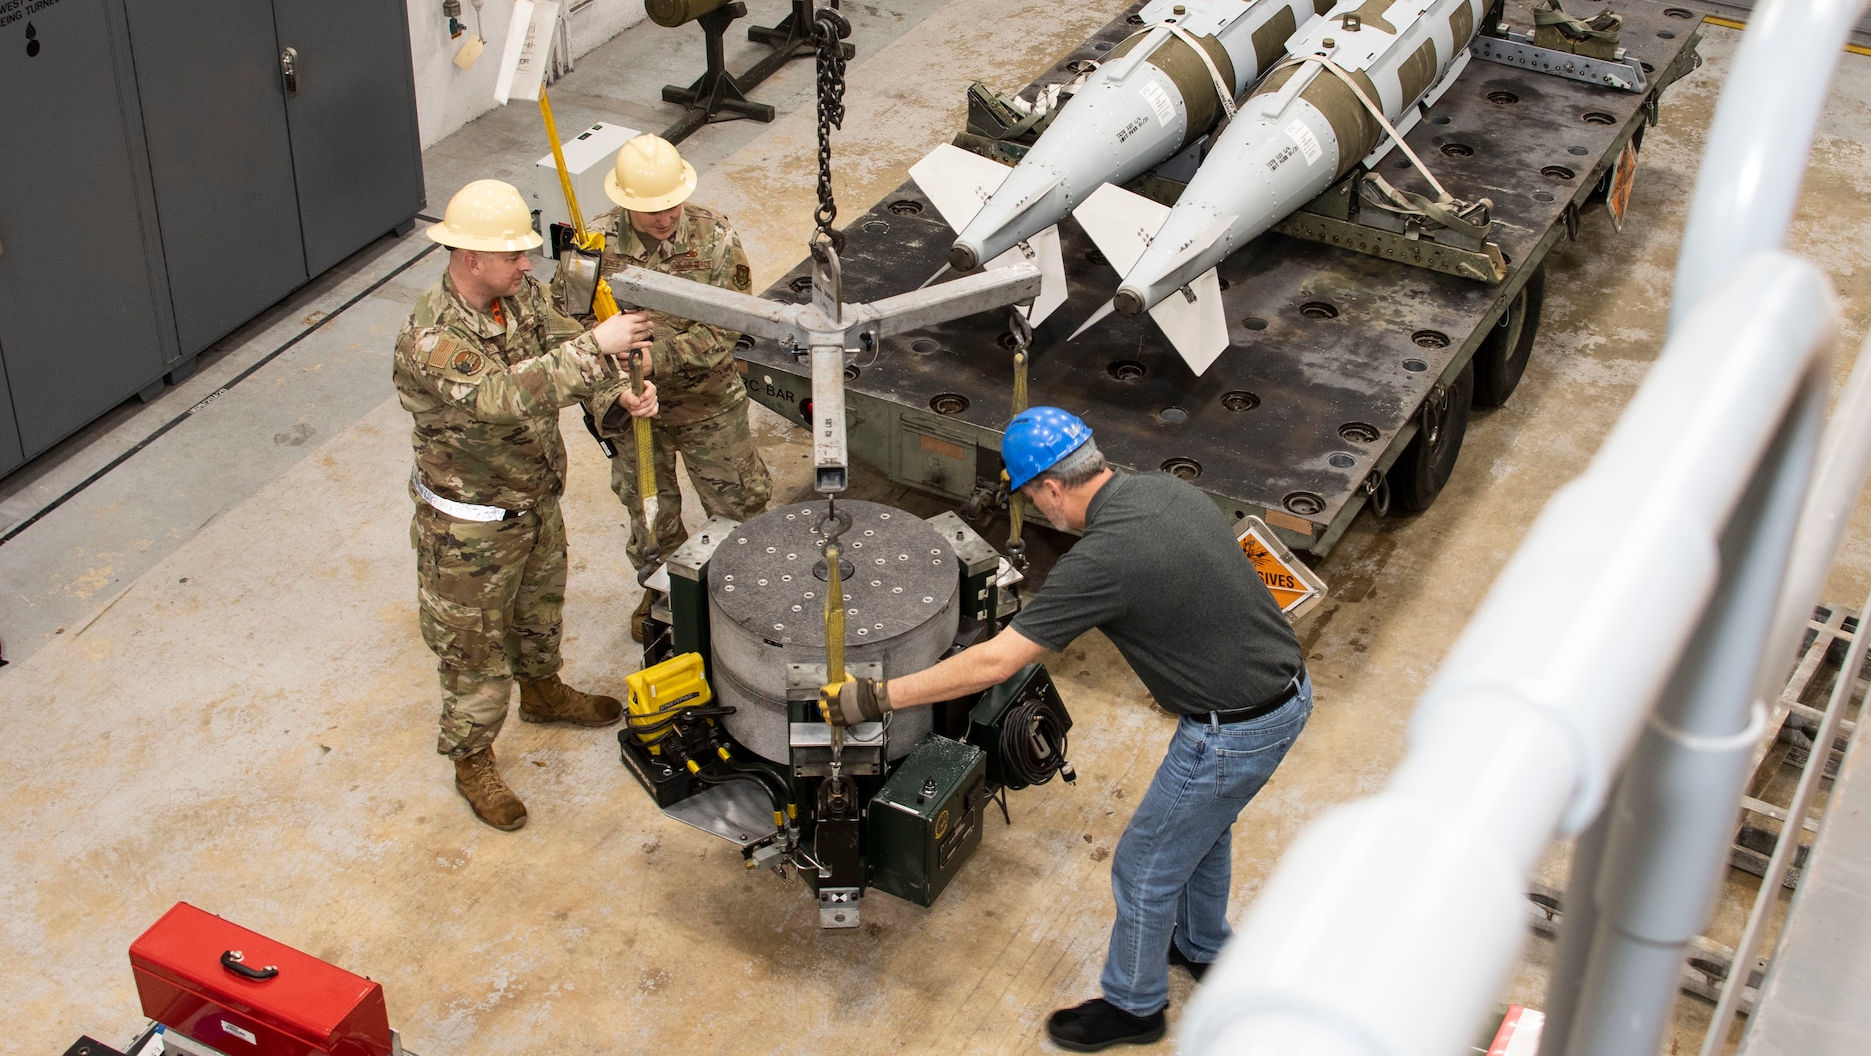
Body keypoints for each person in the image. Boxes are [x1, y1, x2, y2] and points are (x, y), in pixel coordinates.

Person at [822, 406, 1310, 1050]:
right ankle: (1204, 947)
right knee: (1203, 830)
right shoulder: (1167, 490)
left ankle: (1135, 1009)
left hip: (1232, 728)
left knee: (1143, 868)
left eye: (1030, 498)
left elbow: (996, 660)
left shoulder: (1104, 559)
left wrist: (874, 697)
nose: (1036, 511)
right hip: (1284, 693)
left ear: (1052, 487)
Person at [394, 179, 660, 831]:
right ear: (468, 258)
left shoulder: (516, 297)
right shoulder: (431, 339)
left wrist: (614, 392)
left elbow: (554, 339)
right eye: (513, 255)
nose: (527, 265)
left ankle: (541, 692)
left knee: (539, 614)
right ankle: (472, 758)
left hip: (534, 499)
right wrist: (595, 348)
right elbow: (501, 397)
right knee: (474, 654)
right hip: (469, 529)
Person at [558, 134, 772, 643]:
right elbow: (565, 331)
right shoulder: (592, 248)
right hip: (635, 415)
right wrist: (614, 394)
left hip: (708, 405)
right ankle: (665, 595)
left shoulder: (713, 236)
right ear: (623, 201)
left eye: (672, 204)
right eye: (650, 209)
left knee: (740, 504)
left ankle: (751, 596)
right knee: (650, 516)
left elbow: (733, 323)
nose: (665, 217)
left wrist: (661, 358)